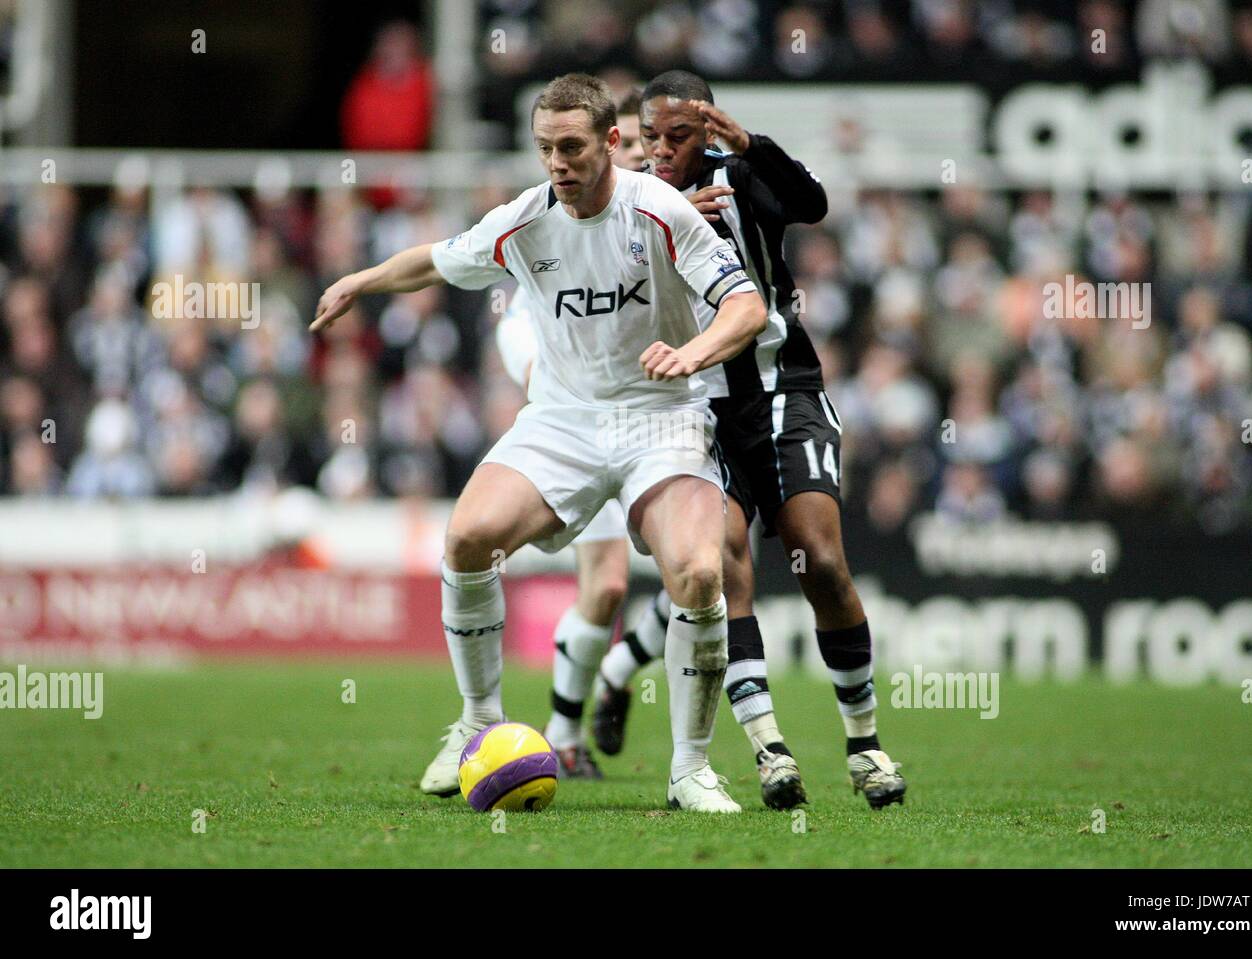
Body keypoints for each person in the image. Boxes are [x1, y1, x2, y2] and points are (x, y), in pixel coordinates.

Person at [312, 73, 768, 813]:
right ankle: (479, 722)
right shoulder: (525, 220)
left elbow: (744, 305)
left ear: (611, 143)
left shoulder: (660, 211)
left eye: (571, 147)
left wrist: (693, 354)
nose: (556, 163)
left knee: (696, 572)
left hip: (663, 414)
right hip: (564, 418)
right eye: (545, 148)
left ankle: (690, 769)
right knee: (466, 538)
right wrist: (360, 280)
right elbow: (435, 258)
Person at [592, 70, 907, 811]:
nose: (663, 152)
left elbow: (812, 204)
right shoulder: (623, 202)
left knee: (821, 559)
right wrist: (659, 220)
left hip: (781, 393)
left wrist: (753, 146)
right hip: (688, 408)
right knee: (718, 564)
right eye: (650, 139)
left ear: (705, 129)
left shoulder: (741, 177)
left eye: (679, 137)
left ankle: (864, 744)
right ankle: (768, 748)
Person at [486, 90, 648, 781]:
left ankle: (620, 666)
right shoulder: (556, 214)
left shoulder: (671, 214)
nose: (645, 155)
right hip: (584, 412)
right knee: (608, 585)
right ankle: (562, 730)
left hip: (667, 413)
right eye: (636, 142)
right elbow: (520, 323)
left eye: (652, 144)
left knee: (714, 570)